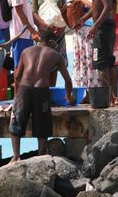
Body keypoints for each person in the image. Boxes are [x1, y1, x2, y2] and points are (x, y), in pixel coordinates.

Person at [9, 29, 74, 163]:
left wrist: (18, 93)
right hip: (42, 90)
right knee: (42, 125)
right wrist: (69, 96)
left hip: (24, 89)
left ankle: (16, 156)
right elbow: (68, 80)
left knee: (17, 121)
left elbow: (17, 76)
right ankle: (40, 156)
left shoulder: (26, 51)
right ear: (51, 42)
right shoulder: (56, 55)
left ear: (39, 40)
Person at [84, 0, 117, 105]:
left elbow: (107, 6)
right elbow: (96, 7)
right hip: (105, 27)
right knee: (108, 64)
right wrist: (82, 19)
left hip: (103, 29)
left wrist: (95, 26)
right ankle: (113, 97)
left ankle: (109, 98)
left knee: (101, 65)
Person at [30, 0, 68, 86]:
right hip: (43, 34)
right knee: (42, 63)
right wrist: (46, 26)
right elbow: (33, 12)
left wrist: (62, 28)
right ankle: (43, 92)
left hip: (59, 34)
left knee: (56, 64)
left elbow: (65, 12)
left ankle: (52, 91)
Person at [6, 0, 40, 69]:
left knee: (27, 67)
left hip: (27, 33)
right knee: (20, 68)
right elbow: (18, 9)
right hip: (20, 32)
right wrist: (32, 31)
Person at [71, 0, 99, 100]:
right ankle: (85, 94)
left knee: (91, 61)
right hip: (80, 32)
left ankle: (92, 93)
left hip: (91, 30)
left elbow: (95, 7)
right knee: (82, 63)